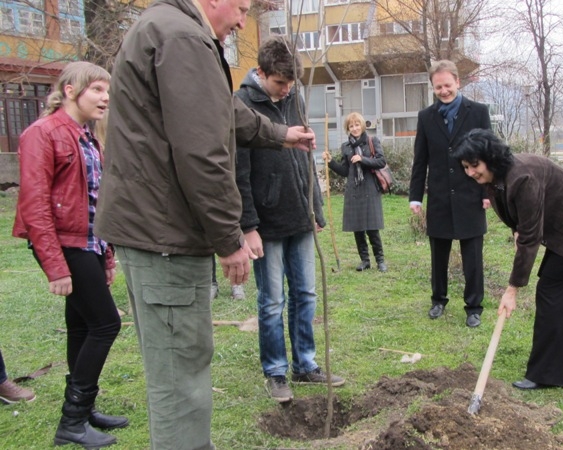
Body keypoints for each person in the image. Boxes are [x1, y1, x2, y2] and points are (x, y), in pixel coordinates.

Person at [94, 0, 316, 448]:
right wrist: (228, 236)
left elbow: (220, 113)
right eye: (242, 8)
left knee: (179, 371)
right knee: (181, 380)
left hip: (156, 232)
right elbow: (202, 151)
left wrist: (280, 134)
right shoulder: (182, 37)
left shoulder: (167, 28)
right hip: (166, 238)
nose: (241, 20)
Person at [12, 61, 127, 448]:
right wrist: (55, 266)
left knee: (82, 327)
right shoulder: (42, 134)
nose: (105, 97)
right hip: (65, 244)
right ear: (71, 89)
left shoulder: (85, 136)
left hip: (88, 243)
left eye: (106, 91)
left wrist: (106, 257)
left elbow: (97, 202)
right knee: (106, 324)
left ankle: (84, 409)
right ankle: (71, 422)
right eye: (97, 89)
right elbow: (35, 205)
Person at [452, 129, 563, 390]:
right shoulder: (498, 177)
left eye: (474, 165)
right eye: (466, 167)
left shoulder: (521, 176)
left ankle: (547, 373)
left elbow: (531, 236)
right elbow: (520, 215)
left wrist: (512, 289)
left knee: (554, 289)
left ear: (490, 158)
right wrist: (517, 229)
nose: (470, 173)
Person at [235, 36, 343, 403]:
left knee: (305, 294)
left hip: (300, 215)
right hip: (266, 222)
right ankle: (276, 371)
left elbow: (305, 157)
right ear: (261, 73)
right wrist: (248, 226)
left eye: (290, 84)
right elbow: (239, 172)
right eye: (279, 83)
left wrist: (314, 206)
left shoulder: (294, 98)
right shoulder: (242, 105)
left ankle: (306, 364)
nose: (285, 90)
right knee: (271, 301)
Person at [409, 60, 492, 328]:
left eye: (447, 85)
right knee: (438, 256)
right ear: (433, 87)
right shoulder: (425, 117)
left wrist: (488, 191)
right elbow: (420, 160)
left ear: (458, 82)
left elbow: (489, 155)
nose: (443, 91)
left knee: (473, 257)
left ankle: (474, 306)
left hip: (471, 194)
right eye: (438, 87)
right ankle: (438, 300)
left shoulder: (478, 112)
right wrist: (415, 197)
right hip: (440, 198)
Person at [323, 112, 388, 272]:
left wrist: (362, 159)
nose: (355, 128)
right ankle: (364, 260)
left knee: (372, 227)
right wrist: (330, 162)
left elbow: (381, 161)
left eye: (357, 124)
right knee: (358, 228)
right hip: (354, 189)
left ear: (362, 125)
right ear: (348, 128)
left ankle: (380, 261)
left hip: (370, 188)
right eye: (351, 126)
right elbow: (346, 171)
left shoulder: (372, 141)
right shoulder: (346, 147)